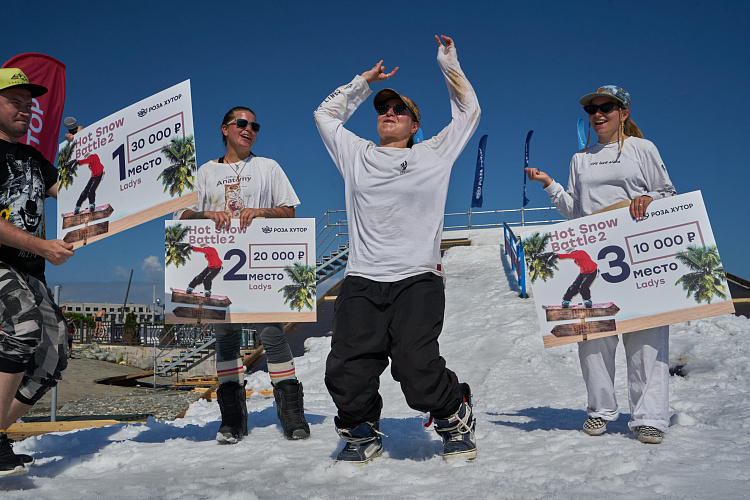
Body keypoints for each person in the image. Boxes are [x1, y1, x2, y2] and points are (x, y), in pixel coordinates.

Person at [314, 35, 480, 463]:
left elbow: (468, 112)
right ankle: (362, 430)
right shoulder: (357, 155)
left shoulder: (434, 154)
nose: (388, 113)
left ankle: (454, 414)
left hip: (418, 278)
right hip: (362, 279)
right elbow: (325, 115)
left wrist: (448, 62)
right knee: (347, 370)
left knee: (415, 368)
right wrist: (363, 83)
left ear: (412, 124)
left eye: (399, 110)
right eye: (383, 109)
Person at [525, 85, 676, 444]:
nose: (598, 114)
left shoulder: (643, 148)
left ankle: (649, 417)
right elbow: (576, 210)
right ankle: (599, 410)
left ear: (623, 113)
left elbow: (667, 192)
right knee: (592, 338)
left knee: (646, 338)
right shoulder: (581, 158)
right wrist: (549, 185)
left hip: (636, 255)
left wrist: (647, 198)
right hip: (596, 259)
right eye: (592, 109)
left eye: (606, 107)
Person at [174, 106, 309, 443]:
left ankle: (292, 415)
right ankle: (232, 419)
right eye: (242, 123)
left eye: (255, 125)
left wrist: (262, 211)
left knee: (273, 334)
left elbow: (289, 212)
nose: (249, 129)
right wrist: (208, 214)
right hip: (223, 265)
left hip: (259, 264)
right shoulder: (205, 172)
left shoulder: (269, 167)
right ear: (225, 129)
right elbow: (181, 214)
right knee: (226, 338)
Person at [0, 68, 75, 476]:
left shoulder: (33, 159)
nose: (25, 110)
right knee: (23, 325)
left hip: (31, 270)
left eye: (30, 105)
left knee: (53, 354)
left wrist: (81, 156)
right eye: (15, 101)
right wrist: (40, 245)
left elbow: (75, 192)